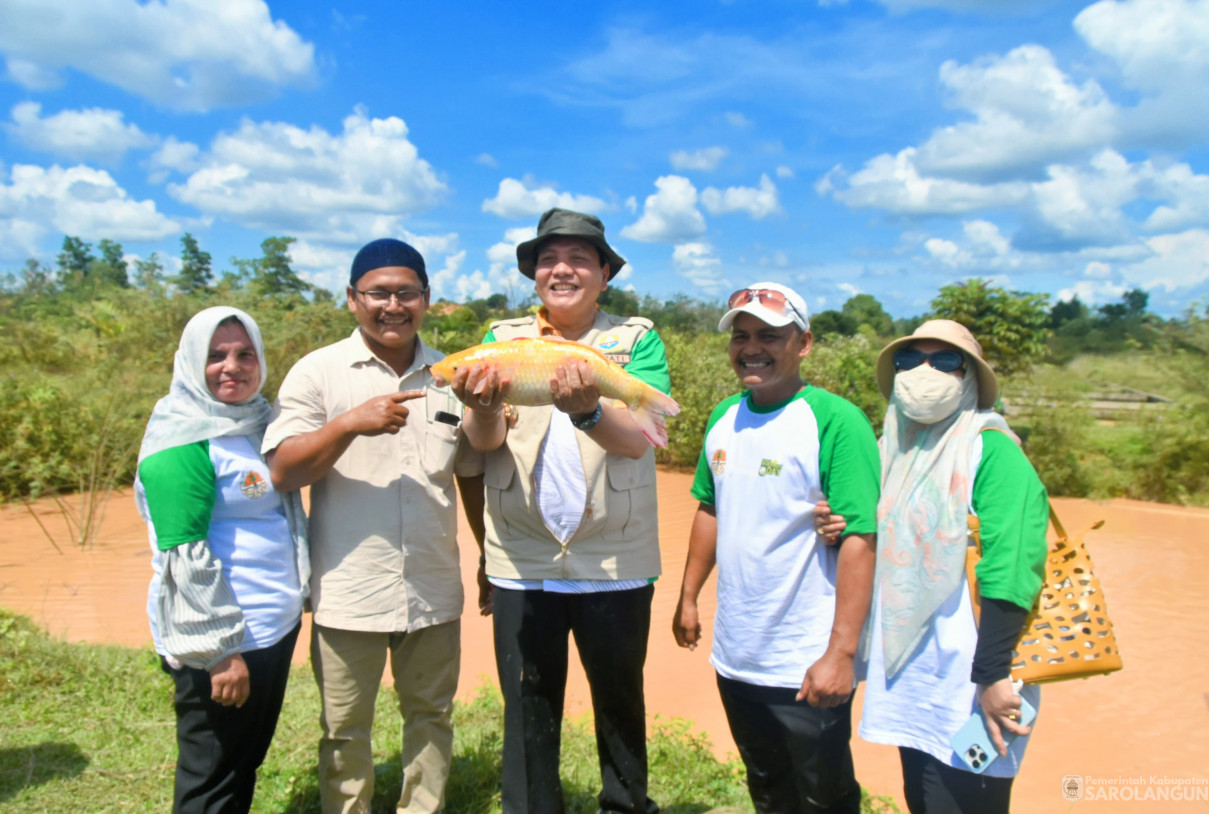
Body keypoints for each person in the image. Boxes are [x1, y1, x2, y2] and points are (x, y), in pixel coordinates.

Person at [456, 208, 670, 814]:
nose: (562, 269)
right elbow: (485, 441)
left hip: (614, 558)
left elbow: (638, 440)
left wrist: (590, 410)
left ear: (604, 274)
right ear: (534, 274)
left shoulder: (635, 340)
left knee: (619, 702)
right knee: (528, 704)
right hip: (523, 558)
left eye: (579, 258)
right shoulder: (501, 341)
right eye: (549, 259)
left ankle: (625, 806)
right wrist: (481, 404)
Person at [262, 238, 478, 814]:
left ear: (426, 299)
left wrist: (486, 560)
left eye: (406, 292)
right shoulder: (318, 372)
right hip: (348, 587)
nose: (393, 305)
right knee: (343, 725)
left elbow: (472, 476)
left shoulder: (451, 375)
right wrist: (350, 423)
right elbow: (283, 470)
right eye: (378, 293)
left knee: (431, 716)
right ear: (353, 300)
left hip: (432, 583)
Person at [817, 319, 1047, 814]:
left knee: (972, 798)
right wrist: (841, 527)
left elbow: (1013, 567)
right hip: (912, 674)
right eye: (909, 359)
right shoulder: (891, 450)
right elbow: (884, 544)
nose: (924, 371)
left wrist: (992, 675)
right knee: (924, 797)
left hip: (980, 675)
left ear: (968, 379)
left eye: (945, 361)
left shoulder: (992, 451)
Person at [671, 283, 879, 814]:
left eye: (769, 334)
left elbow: (861, 539)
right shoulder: (723, 418)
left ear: (803, 343)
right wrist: (689, 597)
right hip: (738, 655)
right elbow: (710, 509)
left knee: (823, 796)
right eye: (741, 336)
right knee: (766, 786)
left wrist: (841, 654)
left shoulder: (835, 421)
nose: (751, 347)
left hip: (806, 660)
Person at [135, 306, 309, 814]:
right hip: (225, 640)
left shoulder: (258, 423)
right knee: (211, 772)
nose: (231, 366)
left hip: (270, 629)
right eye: (215, 356)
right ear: (191, 363)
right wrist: (219, 652)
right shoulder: (181, 441)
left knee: (242, 761)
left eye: (244, 354)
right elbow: (183, 555)